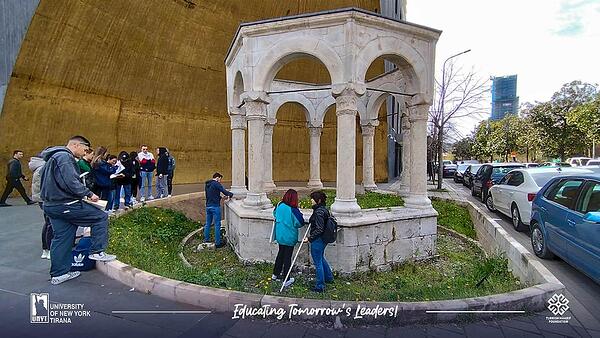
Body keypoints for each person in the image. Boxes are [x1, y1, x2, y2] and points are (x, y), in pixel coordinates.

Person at [40, 135, 116, 285]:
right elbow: (70, 181)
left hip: (51, 205)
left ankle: (59, 274)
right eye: (85, 149)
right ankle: (97, 252)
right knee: (100, 217)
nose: (85, 153)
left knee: (62, 238)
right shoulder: (64, 157)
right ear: (76, 145)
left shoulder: (53, 157)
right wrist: (88, 194)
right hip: (66, 204)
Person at [272, 189, 304, 288]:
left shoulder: (280, 205)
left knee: (280, 254)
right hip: (289, 236)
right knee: (287, 257)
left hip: (280, 234)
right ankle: (286, 278)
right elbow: (300, 222)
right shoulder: (293, 209)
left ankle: (275, 274)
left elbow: (274, 214)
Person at [305, 190, 334, 293]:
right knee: (321, 258)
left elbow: (319, 229)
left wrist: (310, 238)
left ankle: (320, 286)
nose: (311, 201)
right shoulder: (324, 209)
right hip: (323, 238)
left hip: (318, 239)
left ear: (318, 200)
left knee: (317, 262)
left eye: (313, 199)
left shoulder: (318, 212)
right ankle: (329, 277)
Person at [29, 152, 53, 260]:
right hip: (46, 199)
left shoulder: (39, 167)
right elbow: (45, 186)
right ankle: (47, 248)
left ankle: (47, 248)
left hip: (42, 199)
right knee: (49, 224)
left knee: (48, 223)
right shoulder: (42, 168)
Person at [204, 172, 233, 248]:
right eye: (220, 179)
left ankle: (206, 239)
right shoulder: (216, 183)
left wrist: (220, 197)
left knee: (208, 224)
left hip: (208, 206)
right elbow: (224, 191)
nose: (220, 181)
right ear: (217, 177)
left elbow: (212, 195)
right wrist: (231, 194)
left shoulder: (207, 184)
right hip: (215, 207)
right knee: (217, 224)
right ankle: (218, 243)